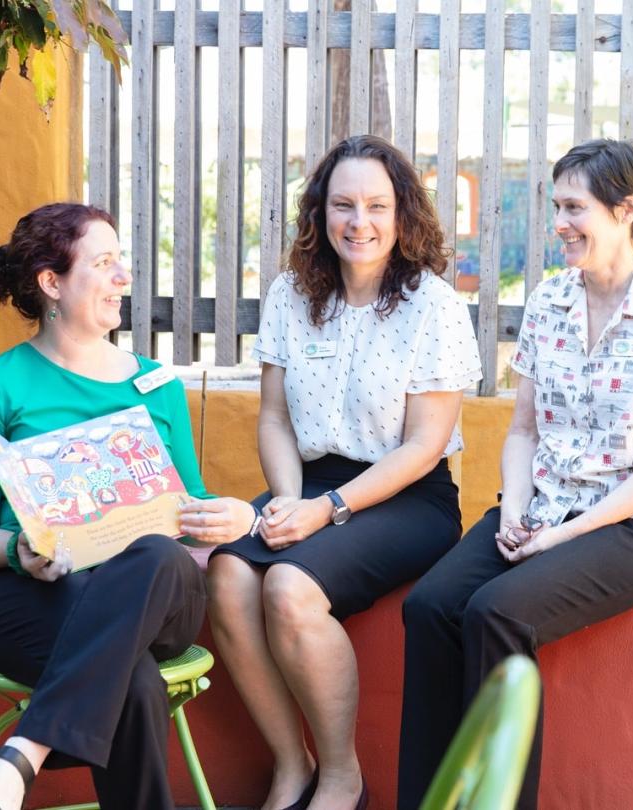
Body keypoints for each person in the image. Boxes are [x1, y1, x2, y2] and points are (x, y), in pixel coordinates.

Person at [397, 139, 633, 810]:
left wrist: (560, 539)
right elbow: (523, 431)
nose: (561, 223)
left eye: (575, 208)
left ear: (626, 209)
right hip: (540, 507)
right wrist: (516, 512)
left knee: (497, 612)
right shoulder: (548, 301)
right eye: (558, 206)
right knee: (429, 607)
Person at [0, 203, 256, 810]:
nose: (123, 278)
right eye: (103, 264)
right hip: (34, 594)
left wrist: (231, 519)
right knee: (132, 682)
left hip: (156, 592)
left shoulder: (156, 384)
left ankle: (22, 754)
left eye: (119, 262)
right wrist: (15, 550)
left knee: (156, 554)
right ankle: (29, 758)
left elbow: (190, 510)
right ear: (52, 283)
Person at [206, 135, 482, 810]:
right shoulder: (291, 294)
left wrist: (325, 510)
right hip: (307, 481)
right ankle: (290, 766)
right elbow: (272, 418)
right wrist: (290, 499)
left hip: (407, 494)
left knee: (290, 591)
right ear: (321, 213)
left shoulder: (433, 305)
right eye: (344, 205)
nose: (359, 222)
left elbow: (424, 446)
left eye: (376, 206)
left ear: (402, 213)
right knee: (228, 572)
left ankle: (341, 778)